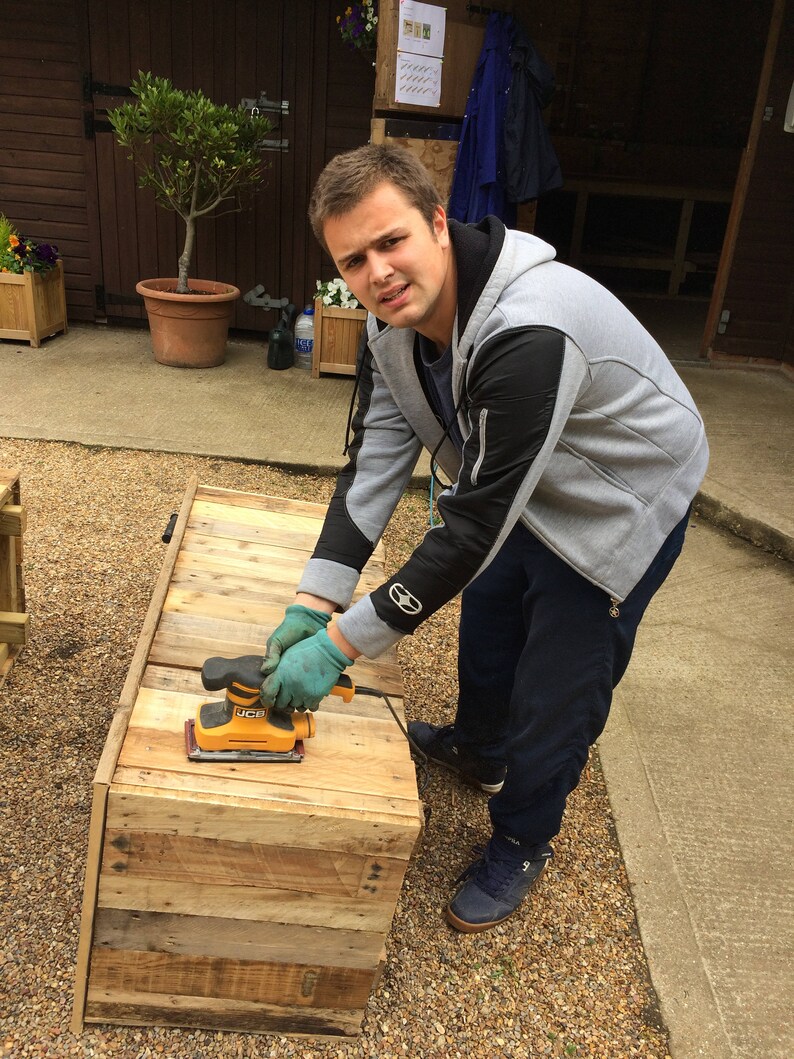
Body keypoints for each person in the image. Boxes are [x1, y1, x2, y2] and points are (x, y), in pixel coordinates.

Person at [258, 144, 709, 934]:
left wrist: (338, 644)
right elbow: (373, 467)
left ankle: (524, 837)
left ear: (438, 222)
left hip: (619, 497)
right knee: (492, 616)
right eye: (353, 259)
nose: (379, 273)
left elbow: (467, 531)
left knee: (558, 684)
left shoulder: (529, 326)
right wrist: (312, 598)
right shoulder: (391, 327)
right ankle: (479, 748)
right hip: (524, 476)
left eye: (391, 241)